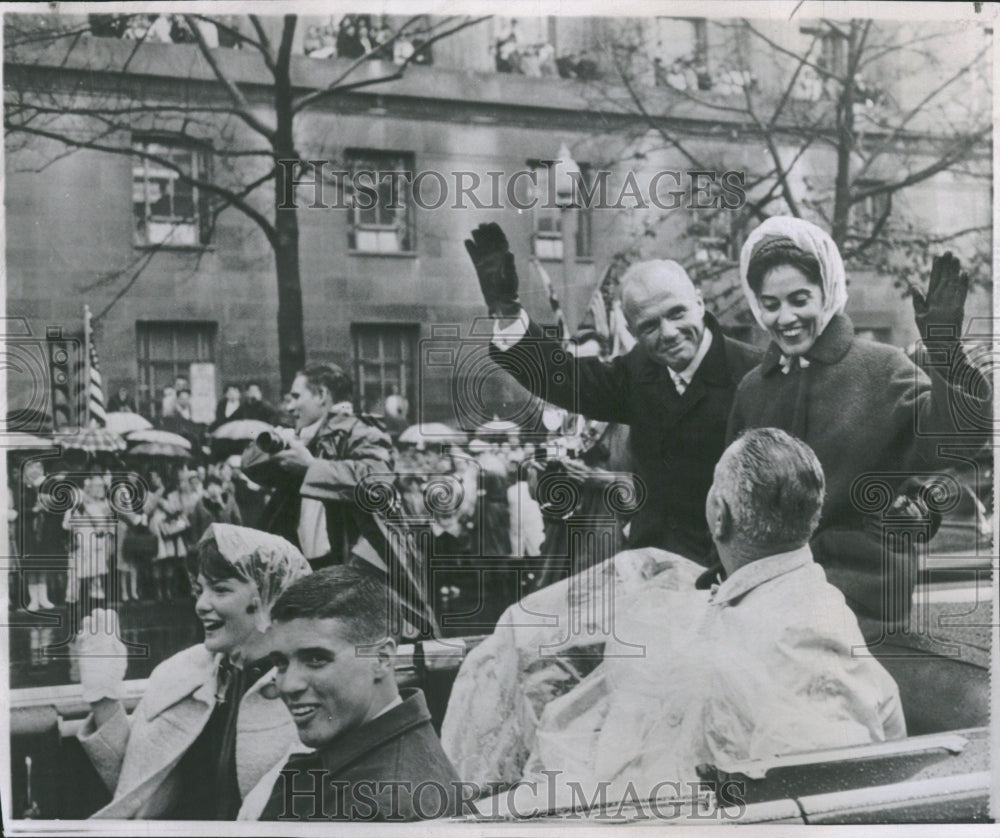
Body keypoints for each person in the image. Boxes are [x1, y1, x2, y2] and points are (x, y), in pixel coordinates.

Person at [521, 429, 905, 800]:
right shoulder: (798, 599)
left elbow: (809, 795)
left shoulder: (804, 638)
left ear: (718, 516)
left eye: (712, 487)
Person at [726, 217, 991, 636]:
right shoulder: (754, 388)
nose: (785, 317)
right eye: (770, 304)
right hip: (770, 602)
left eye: (799, 299)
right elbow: (733, 498)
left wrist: (945, 347)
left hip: (862, 603)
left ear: (827, 292)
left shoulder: (881, 368)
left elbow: (958, 439)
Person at [466, 222, 761, 562]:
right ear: (632, 330)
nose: (668, 333)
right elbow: (566, 378)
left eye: (677, 313)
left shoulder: (752, 373)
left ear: (699, 302)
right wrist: (507, 311)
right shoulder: (640, 370)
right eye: (649, 325)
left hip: (727, 571)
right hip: (653, 568)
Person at [74, 524, 311, 819]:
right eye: (199, 590)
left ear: (268, 595)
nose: (200, 605)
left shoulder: (311, 686)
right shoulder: (181, 672)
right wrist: (103, 698)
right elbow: (138, 794)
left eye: (220, 590)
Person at [240, 566, 469, 821]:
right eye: (281, 663)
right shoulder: (368, 755)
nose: (288, 685)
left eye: (316, 659)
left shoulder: (383, 807)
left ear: (381, 659)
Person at [259, 363, 394, 569]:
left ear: (321, 395)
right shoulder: (306, 435)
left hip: (348, 567)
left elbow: (378, 482)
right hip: (306, 565)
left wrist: (311, 467)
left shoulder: (360, 431)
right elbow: (250, 468)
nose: (289, 407)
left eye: (296, 397)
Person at [190, 474, 243, 541]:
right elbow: (194, 525)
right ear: (206, 489)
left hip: (228, 539)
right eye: (210, 486)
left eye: (216, 485)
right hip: (209, 541)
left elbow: (237, 519)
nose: (214, 489)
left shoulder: (230, 500)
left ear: (221, 488)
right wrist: (198, 542)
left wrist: (221, 503)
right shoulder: (200, 504)